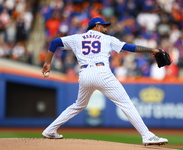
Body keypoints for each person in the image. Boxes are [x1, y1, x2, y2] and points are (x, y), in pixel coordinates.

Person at [41, 17, 168, 146]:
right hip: (102, 74)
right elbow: (131, 48)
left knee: (79, 105)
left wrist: (47, 63)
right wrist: (153, 50)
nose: (106, 28)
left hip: (85, 74)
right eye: (103, 26)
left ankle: (50, 130)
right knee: (126, 103)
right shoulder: (108, 39)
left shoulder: (76, 38)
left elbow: (54, 43)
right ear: (96, 26)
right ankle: (147, 136)